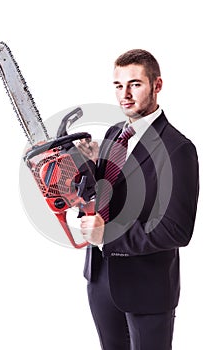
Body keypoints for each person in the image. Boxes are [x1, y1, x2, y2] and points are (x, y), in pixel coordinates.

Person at [77, 49, 199, 350]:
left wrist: (109, 235)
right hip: (100, 278)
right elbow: (107, 196)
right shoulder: (113, 134)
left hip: (148, 285)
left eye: (135, 84)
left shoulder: (177, 149)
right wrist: (88, 167)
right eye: (119, 86)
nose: (125, 95)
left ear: (157, 85)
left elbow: (176, 231)